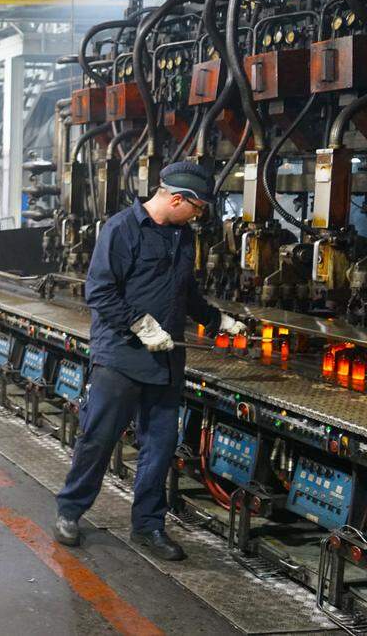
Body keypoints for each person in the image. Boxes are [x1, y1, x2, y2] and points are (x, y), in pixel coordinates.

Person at [53, 161, 247, 561]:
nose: (198, 216)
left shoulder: (183, 236)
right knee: (98, 438)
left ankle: (148, 526)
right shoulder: (121, 230)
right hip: (121, 360)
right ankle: (70, 511)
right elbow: (100, 291)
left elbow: (184, 290)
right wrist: (139, 325)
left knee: (160, 447)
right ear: (177, 199)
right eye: (196, 208)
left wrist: (216, 320)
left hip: (167, 361)